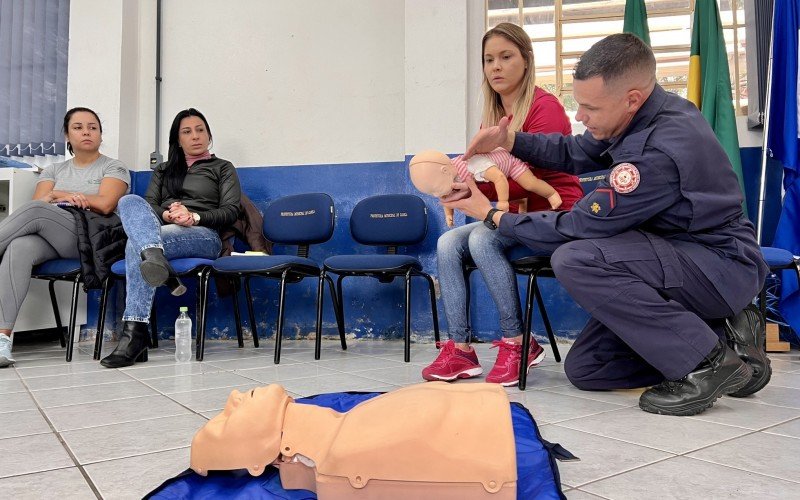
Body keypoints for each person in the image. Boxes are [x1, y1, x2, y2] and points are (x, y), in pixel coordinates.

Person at [451, 33, 770, 416]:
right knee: (589, 369)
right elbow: (573, 152)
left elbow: (577, 228)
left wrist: (492, 215)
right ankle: (724, 337)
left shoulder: (657, 151)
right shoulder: (638, 116)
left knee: (575, 258)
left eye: (588, 108)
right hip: (675, 258)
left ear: (631, 98)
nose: (580, 116)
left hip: (717, 266)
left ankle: (707, 363)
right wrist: (510, 139)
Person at [421, 22, 582, 387]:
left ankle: (518, 342)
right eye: (488, 59)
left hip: (556, 212)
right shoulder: (491, 119)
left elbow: (532, 174)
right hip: (515, 213)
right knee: (447, 242)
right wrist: (460, 187)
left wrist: (482, 187)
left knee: (482, 239)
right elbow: (491, 178)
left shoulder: (546, 107)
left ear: (525, 60)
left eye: (506, 57)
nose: (495, 66)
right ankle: (460, 349)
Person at [100, 108, 241, 368]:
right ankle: (157, 262)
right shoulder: (165, 170)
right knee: (128, 200)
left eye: (200, 130)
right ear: (178, 139)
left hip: (204, 236)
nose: (195, 136)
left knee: (137, 244)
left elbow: (232, 210)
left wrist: (194, 217)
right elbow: (149, 204)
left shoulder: (222, 168)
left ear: (209, 135)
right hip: (162, 231)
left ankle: (134, 334)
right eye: (187, 132)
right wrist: (168, 214)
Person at [0, 107, 130, 367]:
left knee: (36, 212)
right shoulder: (54, 170)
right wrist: (67, 198)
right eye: (78, 127)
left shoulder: (113, 166)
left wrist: (59, 195)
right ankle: (3, 339)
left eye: (93, 127)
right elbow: (38, 205)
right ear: (67, 136)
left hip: (92, 240)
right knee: (19, 245)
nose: (86, 132)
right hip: (54, 235)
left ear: (101, 135)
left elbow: (105, 205)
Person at [408, 148, 562, 228]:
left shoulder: (473, 165)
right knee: (518, 194)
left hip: (509, 163)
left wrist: (502, 202)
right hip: (496, 171)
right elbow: (447, 198)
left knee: (529, 183)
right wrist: (449, 215)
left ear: (445, 171)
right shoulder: (449, 177)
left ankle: (551, 193)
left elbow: (499, 178)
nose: (436, 194)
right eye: (431, 193)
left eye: (436, 189)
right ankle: (521, 202)